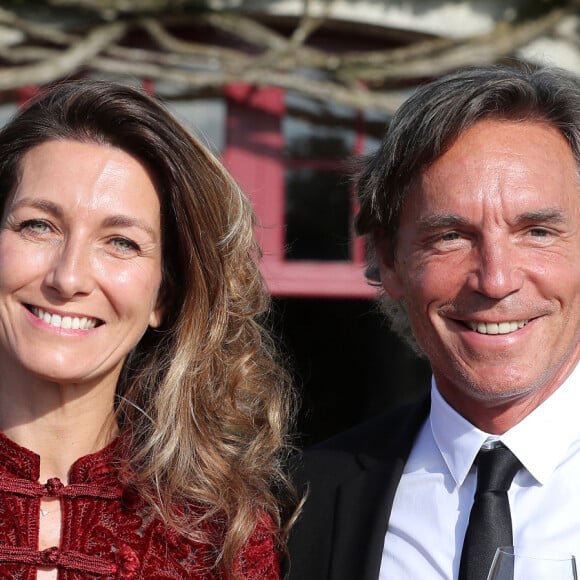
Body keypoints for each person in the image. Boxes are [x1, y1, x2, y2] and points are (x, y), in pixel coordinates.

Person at [286, 63, 580, 580]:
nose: (495, 279)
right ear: (392, 263)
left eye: (536, 231)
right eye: (450, 236)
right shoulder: (300, 504)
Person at [0, 79, 297, 578]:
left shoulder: (220, 538)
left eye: (120, 242)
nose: (68, 277)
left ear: (164, 294)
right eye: (39, 226)